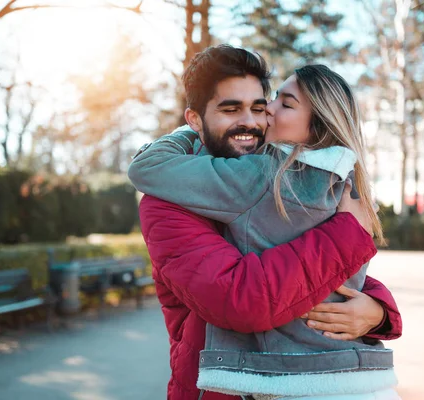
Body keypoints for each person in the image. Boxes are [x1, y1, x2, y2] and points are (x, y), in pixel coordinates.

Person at [129, 45, 402, 400]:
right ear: (195, 119)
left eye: (260, 106)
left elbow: (331, 274)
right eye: (231, 109)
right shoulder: (166, 203)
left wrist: (379, 310)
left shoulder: (279, 174)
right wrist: (348, 234)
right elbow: (242, 299)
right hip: (222, 388)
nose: (255, 120)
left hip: (304, 378)